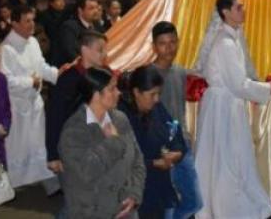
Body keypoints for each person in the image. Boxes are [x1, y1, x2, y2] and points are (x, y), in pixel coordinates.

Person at [193, 0, 271, 219]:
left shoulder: (231, 39)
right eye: (238, 8)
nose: (243, 11)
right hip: (223, 105)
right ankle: (226, 206)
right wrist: (268, 88)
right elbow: (238, 84)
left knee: (228, 155)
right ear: (226, 12)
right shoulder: (225, 43)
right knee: (226, 157)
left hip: (226, 103)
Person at [59, 66, 145, 219]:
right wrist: (113, 142)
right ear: (96, 94)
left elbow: (138, 162)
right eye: (112, 89)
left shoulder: (120, 119)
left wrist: (133, 195)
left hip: (125, 212)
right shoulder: (73, 131)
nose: (118, 92)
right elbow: (85, 172)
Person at [1, 5, 61, 189]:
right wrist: (29, 82)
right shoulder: (6, 49)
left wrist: (60, 74)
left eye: (32, 20)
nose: (32, 24)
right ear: (15, 23)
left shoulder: (33, 42)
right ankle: (15, 185)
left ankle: (50, 184)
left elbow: (41, 66)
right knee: (19, 148)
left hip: (35, 104)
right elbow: (5, 81)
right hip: (17, 108)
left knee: (39, 144)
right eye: (27, 21)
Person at [148, 21, 202, 219]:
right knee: (167, 203)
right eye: (162, 43)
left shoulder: (180, 71)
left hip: (182, 143)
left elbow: (178, 109)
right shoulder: (149, 74)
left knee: (194, 201)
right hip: (162, 148)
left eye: (172, 42)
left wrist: (185, 138)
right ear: (154, 46)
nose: (168, 48)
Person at [119, 65, 187, 219]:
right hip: (135, 190)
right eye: (152, 94)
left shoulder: (157, 109)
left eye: (159, 94)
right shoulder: (122, 117)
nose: (157, 99)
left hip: (159, 187)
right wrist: (153, 163)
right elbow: (121, 157)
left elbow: (173, 128)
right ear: (136, 92)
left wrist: (177, 150)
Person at [47, 29, 107, 174]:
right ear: (85, 50)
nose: (105, 54)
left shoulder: (105, 75)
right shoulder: (68, 79)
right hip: (75, 144)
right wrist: (53, 155)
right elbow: (55, 116)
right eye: (100, 50)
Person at [56, 0, 105, 65]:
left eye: (96, 8)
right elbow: (71, 53)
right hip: (75, 69)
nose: (96, 11)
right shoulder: (69, 27)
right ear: (80, 11)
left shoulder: (98, 26)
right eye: (91, 8)